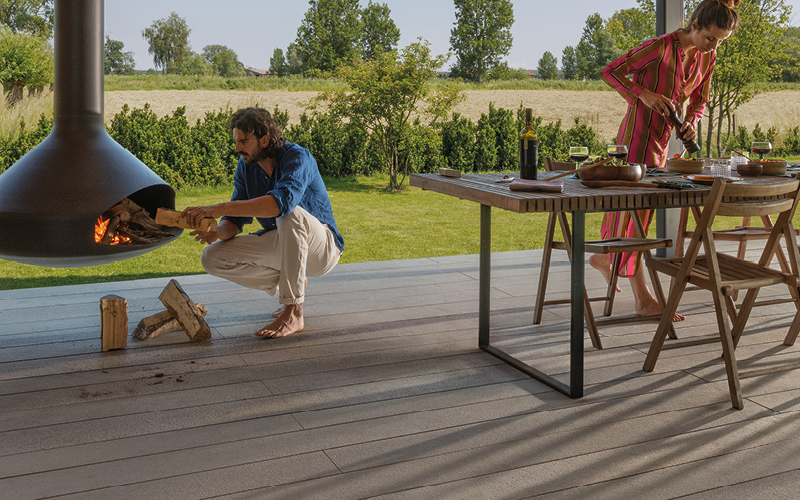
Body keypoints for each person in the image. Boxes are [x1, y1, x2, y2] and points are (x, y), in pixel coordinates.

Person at [592, 0, 739, 320]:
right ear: (696, 24)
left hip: (661, 146)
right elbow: (610, 71)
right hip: (634, 141)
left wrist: (691, 121)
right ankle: (643, 298)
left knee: (638, 212)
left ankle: (607, 258)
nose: (713, 46)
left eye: (720, 42)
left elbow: (700, 100)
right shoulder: (660, 47)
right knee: (634, 214)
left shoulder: (707, 57)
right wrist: (641, 94)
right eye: (711, 38)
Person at [182, 107, 344, 338]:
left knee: (289, 213)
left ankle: (294, 311)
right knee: (212, 257)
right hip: (286, 242)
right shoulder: (246, 167)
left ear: (265, 139)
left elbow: (280, 204)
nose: (237, 148)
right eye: (236, 141)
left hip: (323, 249)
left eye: (243, 141)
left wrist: (216, 208)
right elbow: (235, 221)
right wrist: (217, 231)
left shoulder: (298, 157)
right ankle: (295, 281)